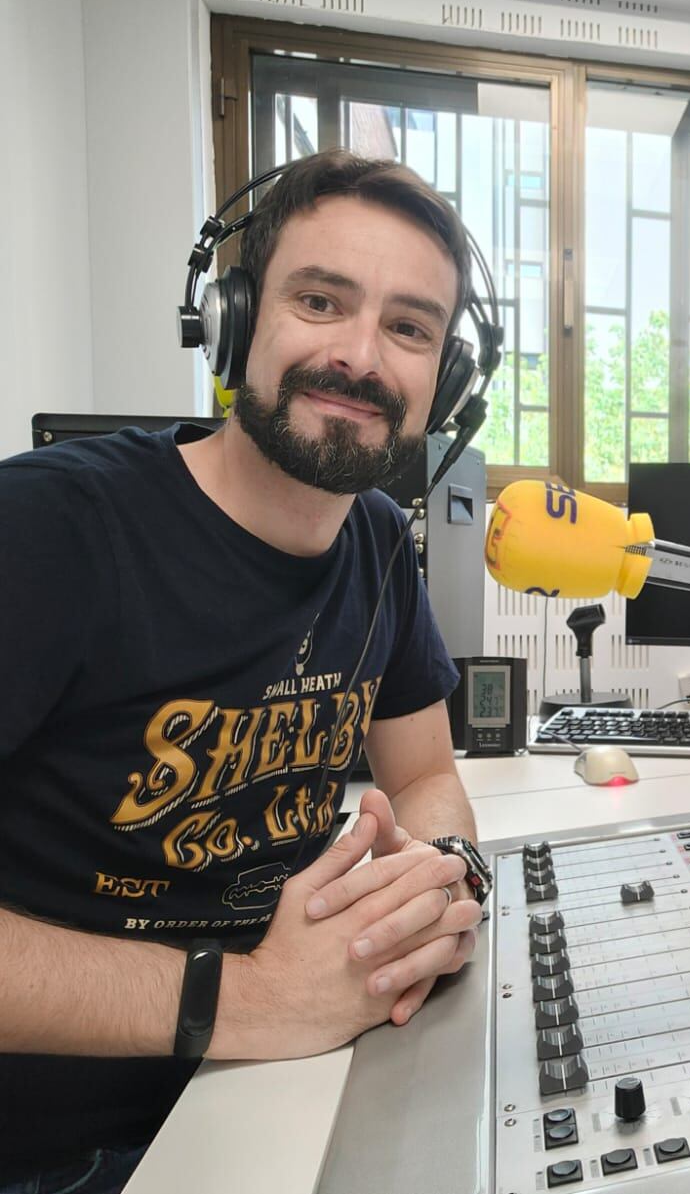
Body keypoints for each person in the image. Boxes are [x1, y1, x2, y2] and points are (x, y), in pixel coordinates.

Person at [0, 150, 491, 1193]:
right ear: (233, 320)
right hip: (60, 1147)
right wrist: (247, 999)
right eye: (320, 300)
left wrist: (440, 880)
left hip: (286, 1080)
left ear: (444, 379)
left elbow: (424, 776)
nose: (361, 357)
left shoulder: (377, 542)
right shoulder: (47, 529)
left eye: (408, 328)